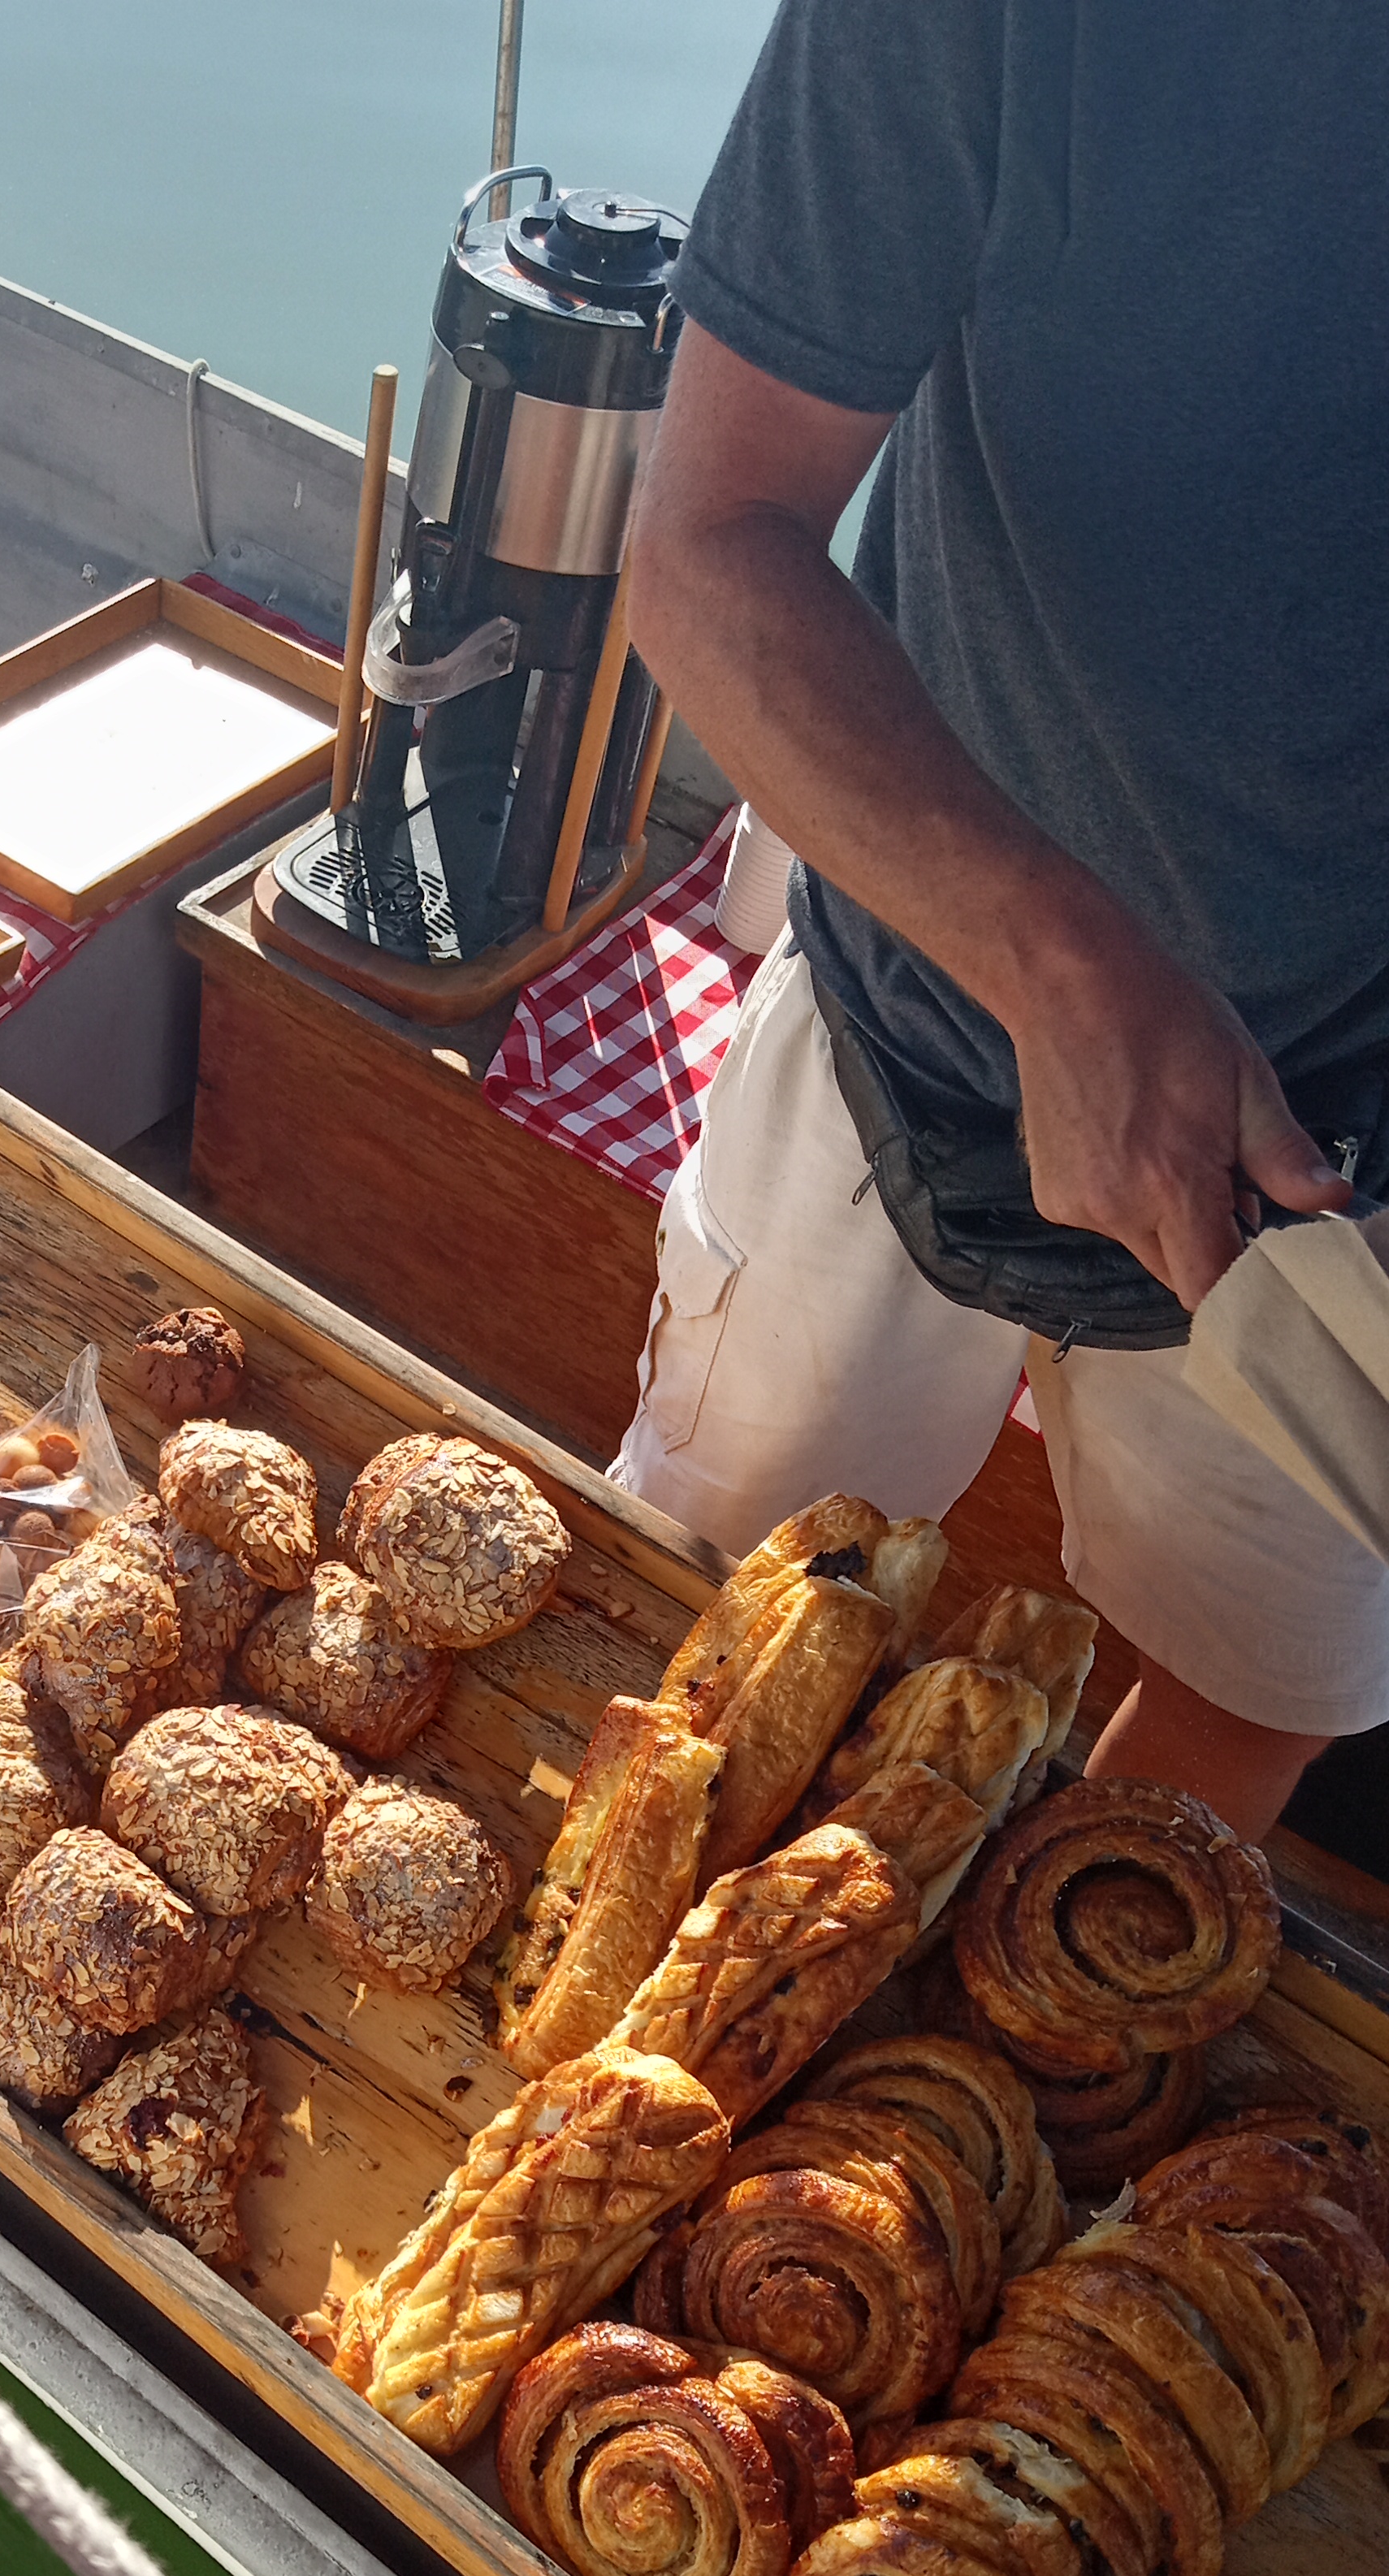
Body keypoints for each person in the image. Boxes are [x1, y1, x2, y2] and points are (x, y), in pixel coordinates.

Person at [611, 0, 1389, 1838]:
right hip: (907, 1014)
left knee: (1226, 1740)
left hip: (1344, 1154)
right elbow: (707, 545)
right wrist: (1058, 966)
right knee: (705, 1643)